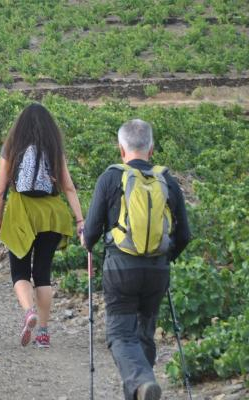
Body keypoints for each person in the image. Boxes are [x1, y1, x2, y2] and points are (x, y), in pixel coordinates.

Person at [83, 119, 190, 400]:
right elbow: (185, 235)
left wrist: (86, 242)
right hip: (157, 269)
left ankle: (143, 382)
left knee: (120, 335)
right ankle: (142, 389)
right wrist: (166, 257)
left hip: (120, 267)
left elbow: (91, 232)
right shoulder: (166, 180)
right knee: (144, 334)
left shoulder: (110, 177)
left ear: (121, 148)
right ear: (151, 149)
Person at [0, 103, 84, 348]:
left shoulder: (12, 147)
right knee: (42, 273)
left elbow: (0, 189)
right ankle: (43, 333)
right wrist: (80, 220)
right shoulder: (53, 147)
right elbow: (68, 188)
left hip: (21, 211)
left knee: (20, 271)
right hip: (51, 214)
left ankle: (28, 312)